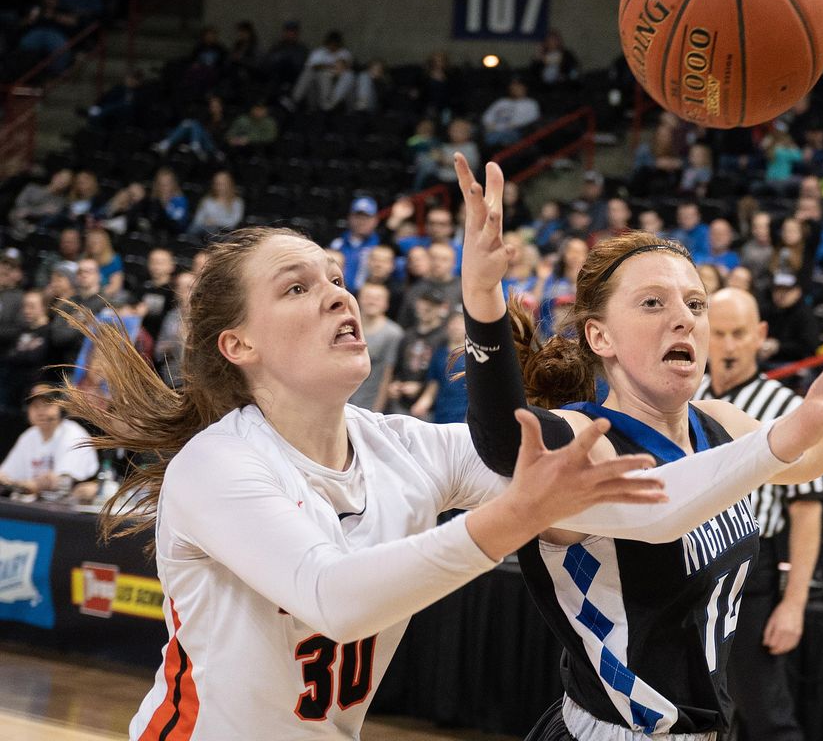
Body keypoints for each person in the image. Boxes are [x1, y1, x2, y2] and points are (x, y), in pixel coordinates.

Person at [451, 152, 823, 739]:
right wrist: (482, 296)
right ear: (599, 335)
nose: (684, 319)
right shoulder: (587, 438)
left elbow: (810, 456)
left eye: (694, 303)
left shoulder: (720, 420)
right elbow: (503, 442)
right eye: (653, 302)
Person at [56, 225, 686, 738]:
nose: (339, 295)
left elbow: (595, 499)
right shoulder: (217, 463)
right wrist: (518, 515)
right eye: (297, 288)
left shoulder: (403, 445)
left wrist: (766, 445)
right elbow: (337, 600)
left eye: (335, 277)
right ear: (238, 344)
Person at [694, 288, 821, 741]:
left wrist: (795, 603)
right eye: (720, 334)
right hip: (689, 557)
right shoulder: (689, 395)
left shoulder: (785, 406)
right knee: (701, 705)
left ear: (760, 336)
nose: (728, 346)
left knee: (764, 709)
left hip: (751, 564)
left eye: (739, 334)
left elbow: (807, 510)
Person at [0, 383, 98, 500]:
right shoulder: (29, 436)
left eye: (47, 405)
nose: (41, 412)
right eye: (35, 406)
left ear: (61, 407)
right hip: (34, 506)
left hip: (69, 508)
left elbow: (60, 483)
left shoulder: (73, 433)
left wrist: (18, 485)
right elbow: (6, 475)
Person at [347, 282, 403, 413]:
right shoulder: (346, 326)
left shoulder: (393, 334)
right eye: (367, 297)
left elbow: (387, 374)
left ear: (386, 303)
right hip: (344, 400)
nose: (372, 302)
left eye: (377, 298)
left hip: (371, 404)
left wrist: (377, 411)